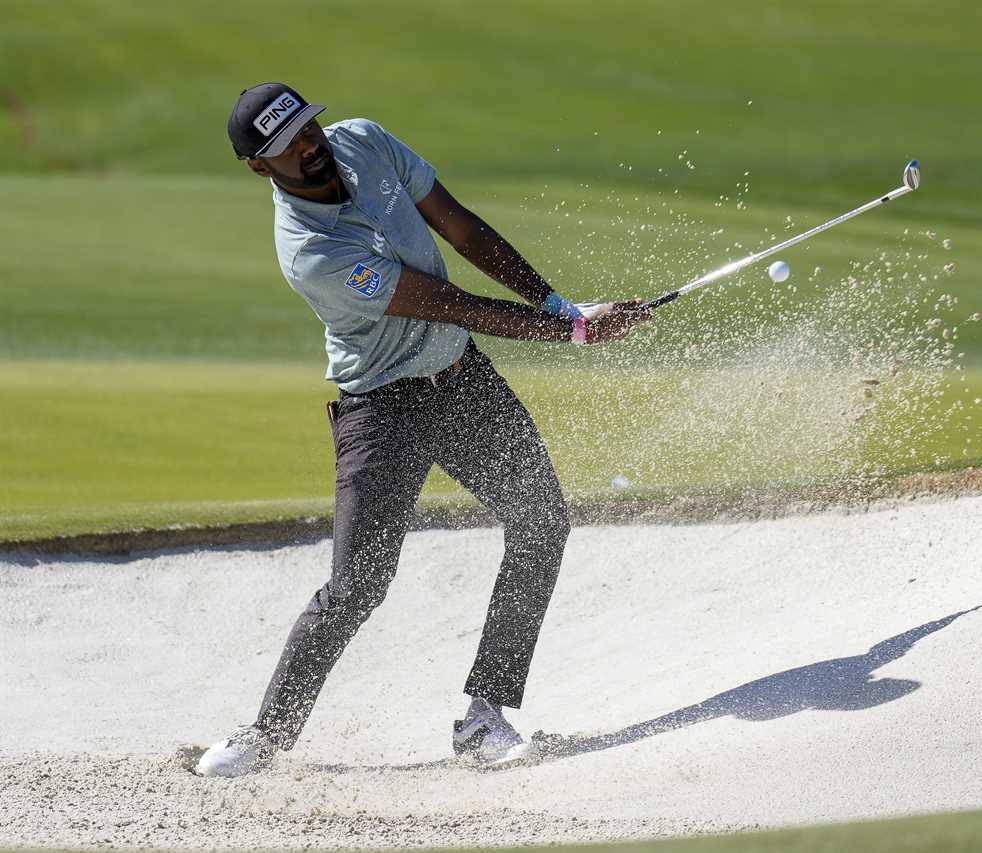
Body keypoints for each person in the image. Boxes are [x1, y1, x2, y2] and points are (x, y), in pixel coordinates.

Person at [196, 83, 649, 777]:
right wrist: (577, 334)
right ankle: (267, 732)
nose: (311, 147)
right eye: (289, 147)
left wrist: (559, 303)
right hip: (382, 411)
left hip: (460, 379)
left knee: (540, 520)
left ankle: (484, 714)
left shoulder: (364, 141)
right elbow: (446, 302)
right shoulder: (310, 252)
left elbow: (458, 224)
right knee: (358, 585)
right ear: (262, 167)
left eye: (308, 129)